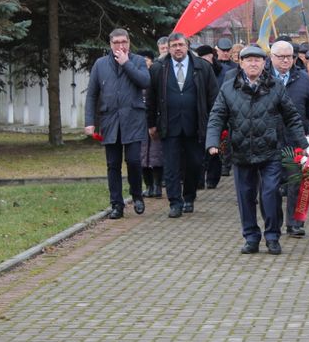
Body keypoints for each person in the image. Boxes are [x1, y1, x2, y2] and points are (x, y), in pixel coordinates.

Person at [206, 45, 306, 255]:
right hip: (241, 151)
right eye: (248, 60)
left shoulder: (275, 86)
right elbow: (217, 116)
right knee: (245, 196)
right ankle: (251, 237)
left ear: (264, 63)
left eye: (257, 60)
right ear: (241, 63)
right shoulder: (228, 87)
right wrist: (212, 141)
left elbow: (292, 117)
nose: (253, 64)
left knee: (270, 193)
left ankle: (272, 236)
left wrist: (302, 145)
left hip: (270, 150)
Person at [147, 33, 219, 218]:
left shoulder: (202, 67)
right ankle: (175, 202)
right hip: (169, 126)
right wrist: (151, 124)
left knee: (194, 163)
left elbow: (213, 97)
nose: (177, 49)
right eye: (173, 45)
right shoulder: (158, 68)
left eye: (180, 45)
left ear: (187, 46)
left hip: (195, 125)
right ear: (168, 48)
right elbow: (151, 99)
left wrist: (213, 125)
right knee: (171, 165)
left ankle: (189, 196)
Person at [85, 28, 150, 219]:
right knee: (112, 164)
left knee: (134, 161)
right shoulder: (100, 64)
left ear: (129, 43)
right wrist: (89, 121)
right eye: (116, 43)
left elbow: (145, 81)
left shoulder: (137, 61)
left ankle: (137, 195)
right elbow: (91, 95)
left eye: (124, 42)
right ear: (110, 44)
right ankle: (116, 204)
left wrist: (126, 63)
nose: (120, 46)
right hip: (109, 120)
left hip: (133, 120)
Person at [267, 40, 309, 237]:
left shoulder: (303, 78)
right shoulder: (262, 77)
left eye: (288, 56)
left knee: (296, 183)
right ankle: (274, 222)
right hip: (268, 138)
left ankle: (294, 223)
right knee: (270, 185)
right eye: (280, 57)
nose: (285, 60)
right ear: (271, 57)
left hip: (295, 138)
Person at [138, 50, 164, 198]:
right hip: (139, 122)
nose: (144, 62)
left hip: (154, 120)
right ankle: (148, 185)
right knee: (142, 156)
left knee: (156, 155)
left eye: (147, 60)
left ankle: (157, 185)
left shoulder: (156, 77)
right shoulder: (136, 77)